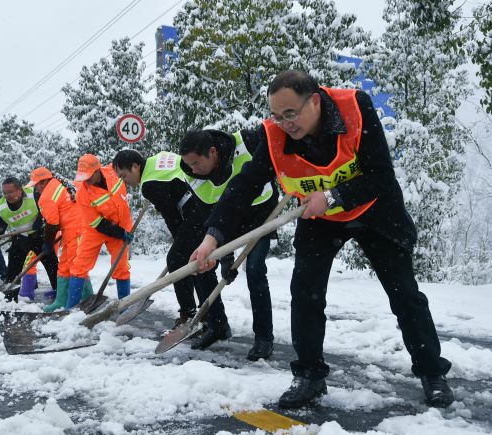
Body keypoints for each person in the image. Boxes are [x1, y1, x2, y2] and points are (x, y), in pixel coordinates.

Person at [190, 70, 454, 408]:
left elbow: (381, 176)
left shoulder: (355, 109)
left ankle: (432, 372)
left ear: (314, 100)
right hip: (320, 220)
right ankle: (309, 376)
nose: (285, 123)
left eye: (291, 113)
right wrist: (212, 237)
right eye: (276, 115)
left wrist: (333, 196)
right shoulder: (274, 136)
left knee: (404, 295)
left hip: (374, 212)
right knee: (305, 294)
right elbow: (243, 188)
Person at [178, 129, 280, 358]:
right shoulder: (192, 174)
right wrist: (224, 257)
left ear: (212, 152)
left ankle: (264, 338)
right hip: (227, 221)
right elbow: (210, 214)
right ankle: (217, 324)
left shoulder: (247, 142)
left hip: (261, 217)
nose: (192, 169)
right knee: (201, 265)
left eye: (196, 163)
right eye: (188, 164)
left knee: (254, 270)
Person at [113, 149, 231, 340]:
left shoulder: (149, 184)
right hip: (207, 202)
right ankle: (214, 320)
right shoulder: (157, 159)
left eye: (124, 176)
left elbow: (171, 216)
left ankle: (189, 315)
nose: (124, 182)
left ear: (135, 166)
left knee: (177, 261)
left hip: (194, 211)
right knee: (199, 266)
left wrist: (179, 242)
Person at [66, 154, 132, 309]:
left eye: (88, 176)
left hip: (122, 226)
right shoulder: (83, 194)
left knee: (121, 268)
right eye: (83, 177)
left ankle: (125, 307)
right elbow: (97, 223)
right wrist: (120, 233)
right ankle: (71, 308)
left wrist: (123, 231)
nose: (85, 180)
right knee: (80, 266)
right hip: (95, 229)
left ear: (97, 171)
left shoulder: (112, 171)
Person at [0, 177, 58, 298]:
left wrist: (40, 218)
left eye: (10, 192)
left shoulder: (33, 194)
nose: (7, 195)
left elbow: (48, 206)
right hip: (20, 239)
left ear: (20, 190)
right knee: (13, 272)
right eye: (4, 193)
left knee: (53, 267)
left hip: (40, 237)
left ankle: (60, 294)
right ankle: (10, 299)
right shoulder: (0, 207)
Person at [24, 166, 85, 312]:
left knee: (76, 266)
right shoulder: (61, 184)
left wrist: (47, 244)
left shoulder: (47, 197)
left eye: (36, 185)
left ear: (43, 182)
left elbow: (52, 225)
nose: (36, 189)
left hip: (76, 230)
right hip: (71, 230)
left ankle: (83, 299)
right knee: (63, 267)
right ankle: (61, 300)